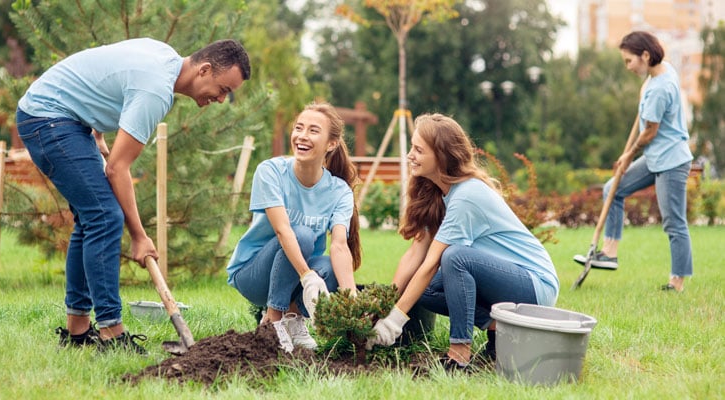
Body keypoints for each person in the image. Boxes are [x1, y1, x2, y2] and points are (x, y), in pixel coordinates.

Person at [16, 38, 251, 353]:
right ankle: (112, 335)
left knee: (91, 219)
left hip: (63, 116)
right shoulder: (155, 90)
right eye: (223, 89)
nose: (222, 99)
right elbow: (117, 170)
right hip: (49, 117)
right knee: (104, 216)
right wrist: (139, 237)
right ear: (204, 69)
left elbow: (105, 72)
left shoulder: (165, 57)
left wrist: (97, 129)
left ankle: (77, 332)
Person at [365, 113, 559, 371]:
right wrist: (381, 306)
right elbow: (416, 254)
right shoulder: (438, 193)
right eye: (412, 147)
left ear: (441, 156)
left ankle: (459, 352)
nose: (410, 155)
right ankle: (499, 330)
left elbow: (432, 263)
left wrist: (394, 321)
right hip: (505, 284)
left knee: (455, 257)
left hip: (535, 285)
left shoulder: (467, 195)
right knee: (422, 288)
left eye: (418, 150)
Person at [226, 101, 361, 352]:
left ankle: (293, 317)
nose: (302, 136)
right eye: (299, 128)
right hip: (254, 274)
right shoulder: (271, 171)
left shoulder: (339, 190)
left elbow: (340, 246)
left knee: (331, 268)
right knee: (302, 234)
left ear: (331, 144)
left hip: (295, 274)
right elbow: (283, 231)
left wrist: (350, 299)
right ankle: (272, 321)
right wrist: (307, 276)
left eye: (313, 130)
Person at [573, 31, 693, 293]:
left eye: (629, 61)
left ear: (646, 56)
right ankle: (609, 252)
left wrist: (628, 155)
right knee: (612, 189)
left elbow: (650, 131)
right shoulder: (659, 73)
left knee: (674, 222)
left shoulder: (661, 87)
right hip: (655, 157)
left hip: (671, 161)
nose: (627, 67)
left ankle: (678, 281)